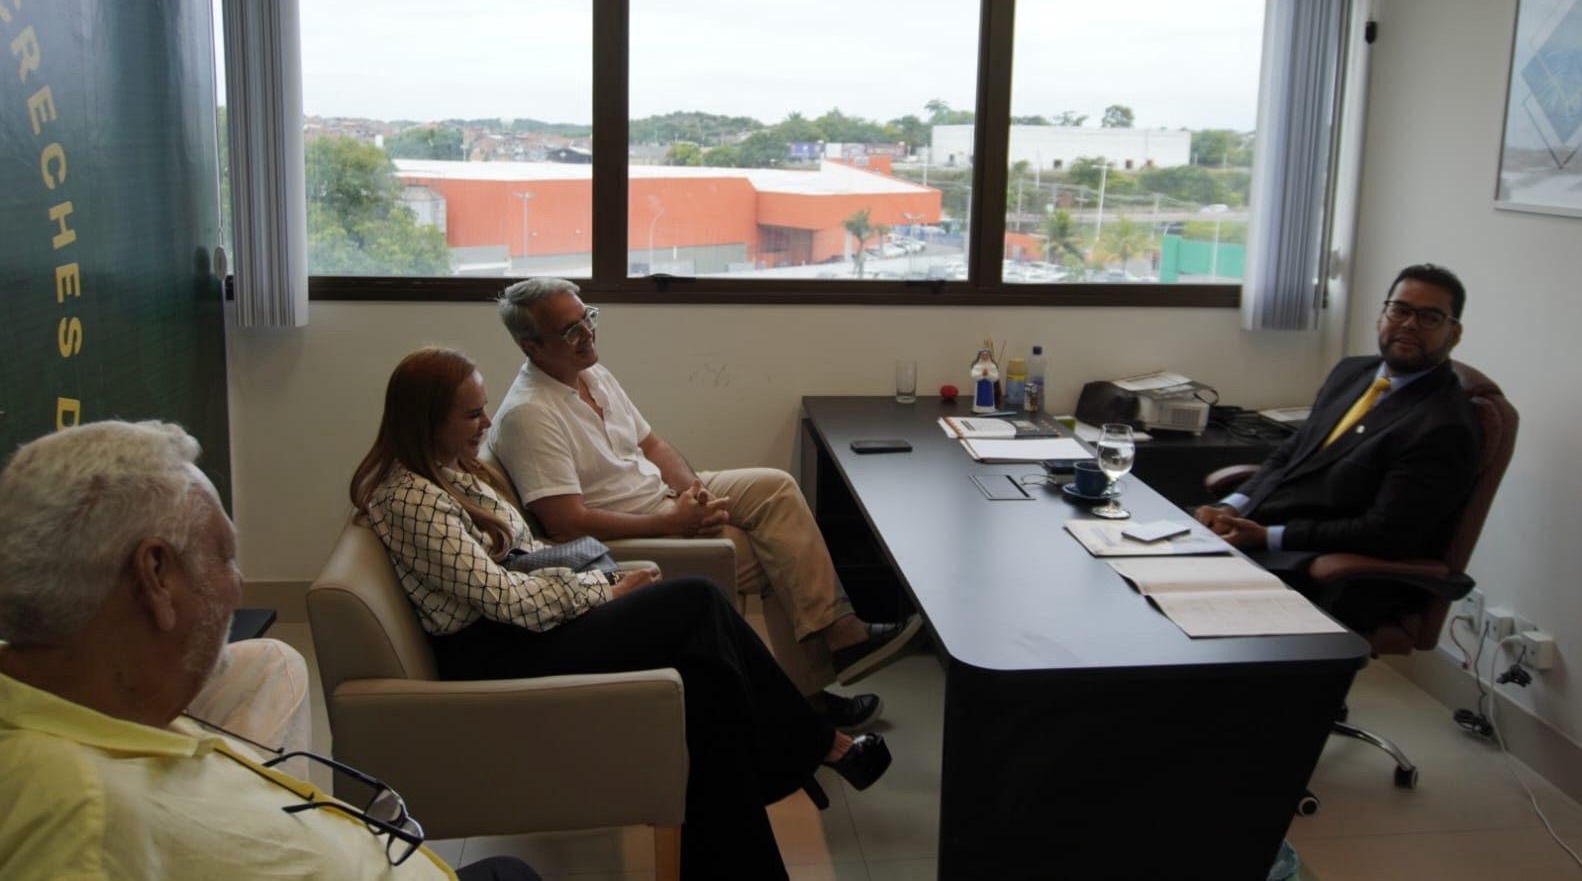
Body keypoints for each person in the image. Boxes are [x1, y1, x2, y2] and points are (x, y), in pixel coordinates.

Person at [350, 347, 892, 880]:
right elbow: (505, 599)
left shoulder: (449, 470)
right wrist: (604, 591)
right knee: (697, 602)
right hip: (500, 652)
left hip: (528, 623)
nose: (486, 423)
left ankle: (777, 804)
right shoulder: (411, 500)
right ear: (426, 420)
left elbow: (524, 560)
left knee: (706, 686)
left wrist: (602, 581)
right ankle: (815, 744)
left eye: (484, 408)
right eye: (472, 414)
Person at [0, 420, 541, 881]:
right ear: (156, 578)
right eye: (224, 556)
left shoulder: (87, 695)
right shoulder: (77, 827)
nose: (237, 584)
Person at [482, 277, 922, 731]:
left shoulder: (591, 374)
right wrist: (673, 523)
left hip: (665, 498)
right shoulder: (530, 414)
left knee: (776, 488)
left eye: (587, 318)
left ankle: (841, 634)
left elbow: (653, 446)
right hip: (631, 531)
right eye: (570, 330)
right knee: (770, 552)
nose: (588, 333)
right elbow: (566, 524)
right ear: (531, 347)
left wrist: (696, 494)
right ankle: (804, 705)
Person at [1194, 263, 1481, 629]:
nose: (1410, 324)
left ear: (1454, 333)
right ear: (1381, 316)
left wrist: (1268, 537)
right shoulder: (1352, 372)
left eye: (1430, 317)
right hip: (1258, 531)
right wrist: (1230, 505)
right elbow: (1292, 453)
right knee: (1140, 558)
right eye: (1400, 310)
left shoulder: (1444, 425)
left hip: (1322, 569)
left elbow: (1385, 534)